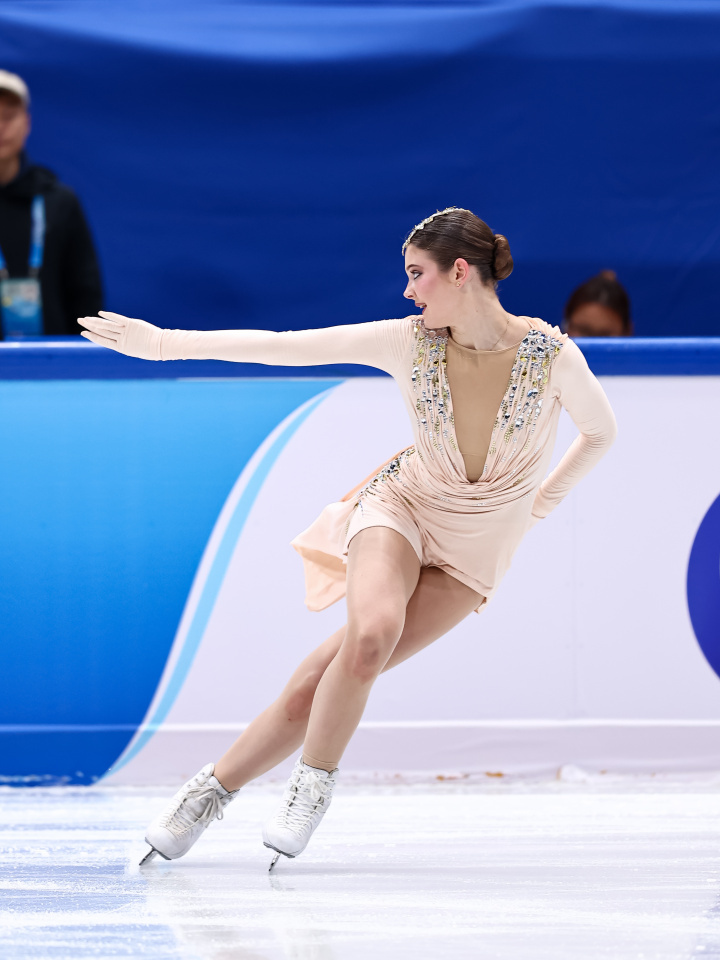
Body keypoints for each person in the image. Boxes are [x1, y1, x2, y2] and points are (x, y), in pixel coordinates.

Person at [79, 207, 617, 870]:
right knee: (371, 636)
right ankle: (310, 789)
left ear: (460, 271)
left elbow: (601, 433)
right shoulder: (406, 341)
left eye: (417, 274)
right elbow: (286, 345)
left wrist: (537, 508)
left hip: (475, 555)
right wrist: (165, 344)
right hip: (403, 508)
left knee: (320, 680)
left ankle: (209, 790)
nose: (408, 291)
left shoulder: (551, 356)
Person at [0, 69, 102, 338]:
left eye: (8, 116)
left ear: (27, 123)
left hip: (50, 357)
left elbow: (85, 293)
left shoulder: (58, 201)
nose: (1, 127)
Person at [564, 270, 632, 338]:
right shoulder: (558, 343)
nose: (591, 341)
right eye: (583, 330)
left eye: (604, 335)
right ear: (566, 325)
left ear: (626, 332)